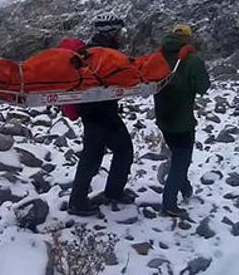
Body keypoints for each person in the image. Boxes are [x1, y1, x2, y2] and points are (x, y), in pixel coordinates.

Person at [67, 13, 136, 216]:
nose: (123, 35)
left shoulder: (88, 51)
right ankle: (88, 199)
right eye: (121, 31)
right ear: (111, 32)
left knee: (95, 155)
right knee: (118, 151)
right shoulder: (106, 53)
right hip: (101, 111)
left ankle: (82, 199)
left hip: (93, 110)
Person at [153, 24, 210, 218]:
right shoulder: (193, 61)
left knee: (178, 156)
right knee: (182, 160)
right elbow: (203, 87)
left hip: (163, 117)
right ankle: (169, 204)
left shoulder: (157, 57)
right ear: (188, 39)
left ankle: (186, 190)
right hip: (182, 120)